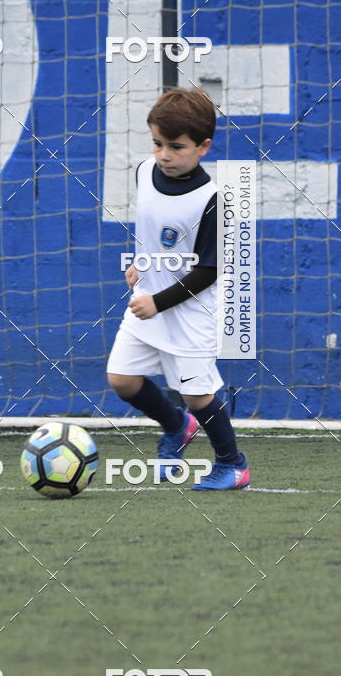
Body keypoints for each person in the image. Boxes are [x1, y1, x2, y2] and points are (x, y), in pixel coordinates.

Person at [106, 87, 249, 490]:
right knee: (122, 379)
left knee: (198, 395)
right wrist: (141, 263)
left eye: (176, 146)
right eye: (157, 143)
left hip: (189, 312)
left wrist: (159, 301)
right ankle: (176, 427)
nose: (164, 154)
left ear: (203, 147)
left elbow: (209, 270)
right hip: (146, 303)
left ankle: (232, 464)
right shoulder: (142, 173)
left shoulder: (213, 200)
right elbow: (154, 233)